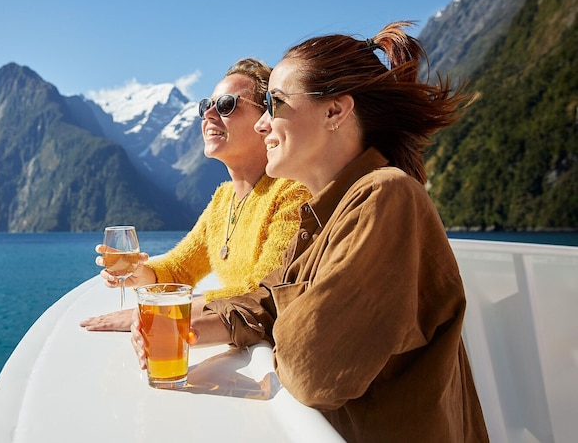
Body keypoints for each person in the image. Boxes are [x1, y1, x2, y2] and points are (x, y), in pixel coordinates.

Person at [131, 22, 489, 442]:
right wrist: (186, 326)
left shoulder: (385, 197)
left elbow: (311, 370)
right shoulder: (326, 212)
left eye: (275, 104)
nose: (263, 124)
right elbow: (267, 300)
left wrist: (278, 320)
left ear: (335, 112)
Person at [80, 58, 310, 331]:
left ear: (265, 118)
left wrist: (155, 311)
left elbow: (261, 291)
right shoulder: (223, 200)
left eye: (226, 104)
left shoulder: (292, 192)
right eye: (205, 106)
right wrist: (142, 274)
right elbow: (181, 269)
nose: (209, 114)